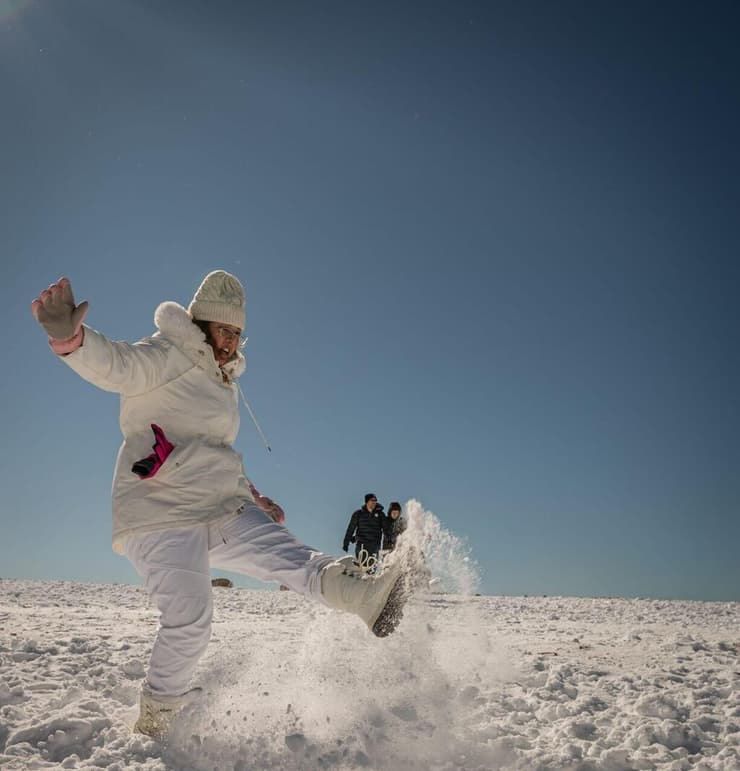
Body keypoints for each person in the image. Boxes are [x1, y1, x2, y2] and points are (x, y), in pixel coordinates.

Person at [31, 272, 409, 738]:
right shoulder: (167, 354)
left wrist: (255, 496)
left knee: (292, 557)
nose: (231, 343)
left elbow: (210, 449)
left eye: (237, 333)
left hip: (219, 504)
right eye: (224, 330)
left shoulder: (222, 382)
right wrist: (71, 339)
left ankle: (366, 597)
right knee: (190, 620)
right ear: (202, 324)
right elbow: (117, 364)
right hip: (159, 511)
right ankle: (155, 723)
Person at [342, 493, 384, 570]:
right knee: (361, 568)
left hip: (374, 546)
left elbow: (386, 529)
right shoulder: (358, 514)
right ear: (367, 502)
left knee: (371, 571)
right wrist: (346, 543)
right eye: (372, 500)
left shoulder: (380, 515)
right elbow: (350, 529)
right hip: (362, 545)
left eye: (375, 500)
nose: (374, 502)